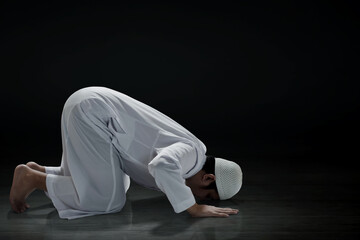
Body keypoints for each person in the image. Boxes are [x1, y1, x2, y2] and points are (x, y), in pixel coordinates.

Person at [9, 87, 243, 219]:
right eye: (206, 196)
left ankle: (42, 172)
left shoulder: (192, 156)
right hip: (94, 113)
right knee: (108, 200)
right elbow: (162, 166)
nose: (201, 198)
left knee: (116, 182)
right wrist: (192, 207)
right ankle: (33, 179)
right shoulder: (193, 154)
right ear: (208, 178)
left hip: (90, 107)